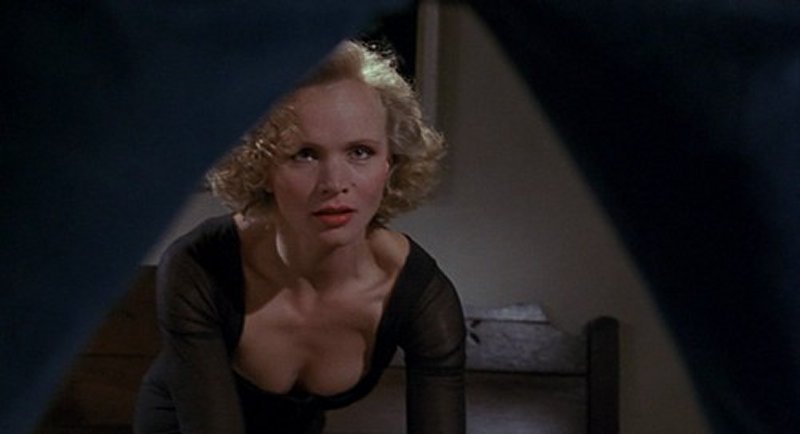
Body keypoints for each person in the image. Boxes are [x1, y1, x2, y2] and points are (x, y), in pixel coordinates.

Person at [133, 40, 466, 434]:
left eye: (360, 152)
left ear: (390, 163)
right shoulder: (197, 265)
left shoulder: (422, 296)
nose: (334, 183)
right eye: (304, 154)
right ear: (261, 168)